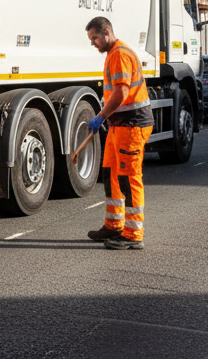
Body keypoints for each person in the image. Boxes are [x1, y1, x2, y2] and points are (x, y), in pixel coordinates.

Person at [84, 16, 153, 250]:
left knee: (128, 177)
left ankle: (133, 234)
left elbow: (122, 93)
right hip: (120, 124)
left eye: (94, 37)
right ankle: (114, 225)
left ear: (106, 32)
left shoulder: (120, 54)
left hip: (132, 125)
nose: (93, 43)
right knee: (111, 173)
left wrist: (100, 115)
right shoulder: (113, 54)